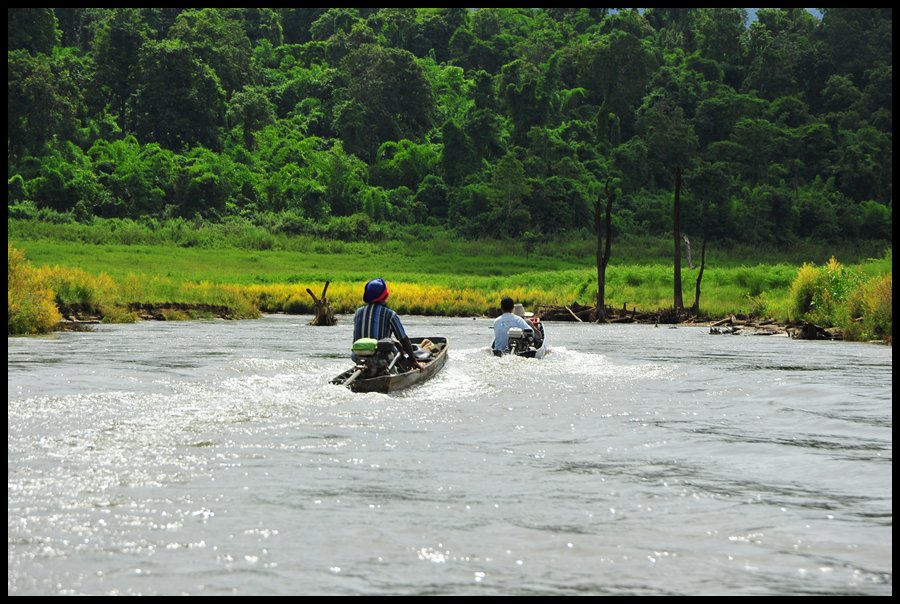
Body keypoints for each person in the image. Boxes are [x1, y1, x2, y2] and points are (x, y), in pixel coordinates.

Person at [353, 278, 422, 370]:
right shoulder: (390, 314)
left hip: (357, 356)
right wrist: (413, 360)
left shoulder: (358, 312)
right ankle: (402, 369)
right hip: (380, 357)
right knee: (398, 349)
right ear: (384, 296)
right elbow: (403, 339)